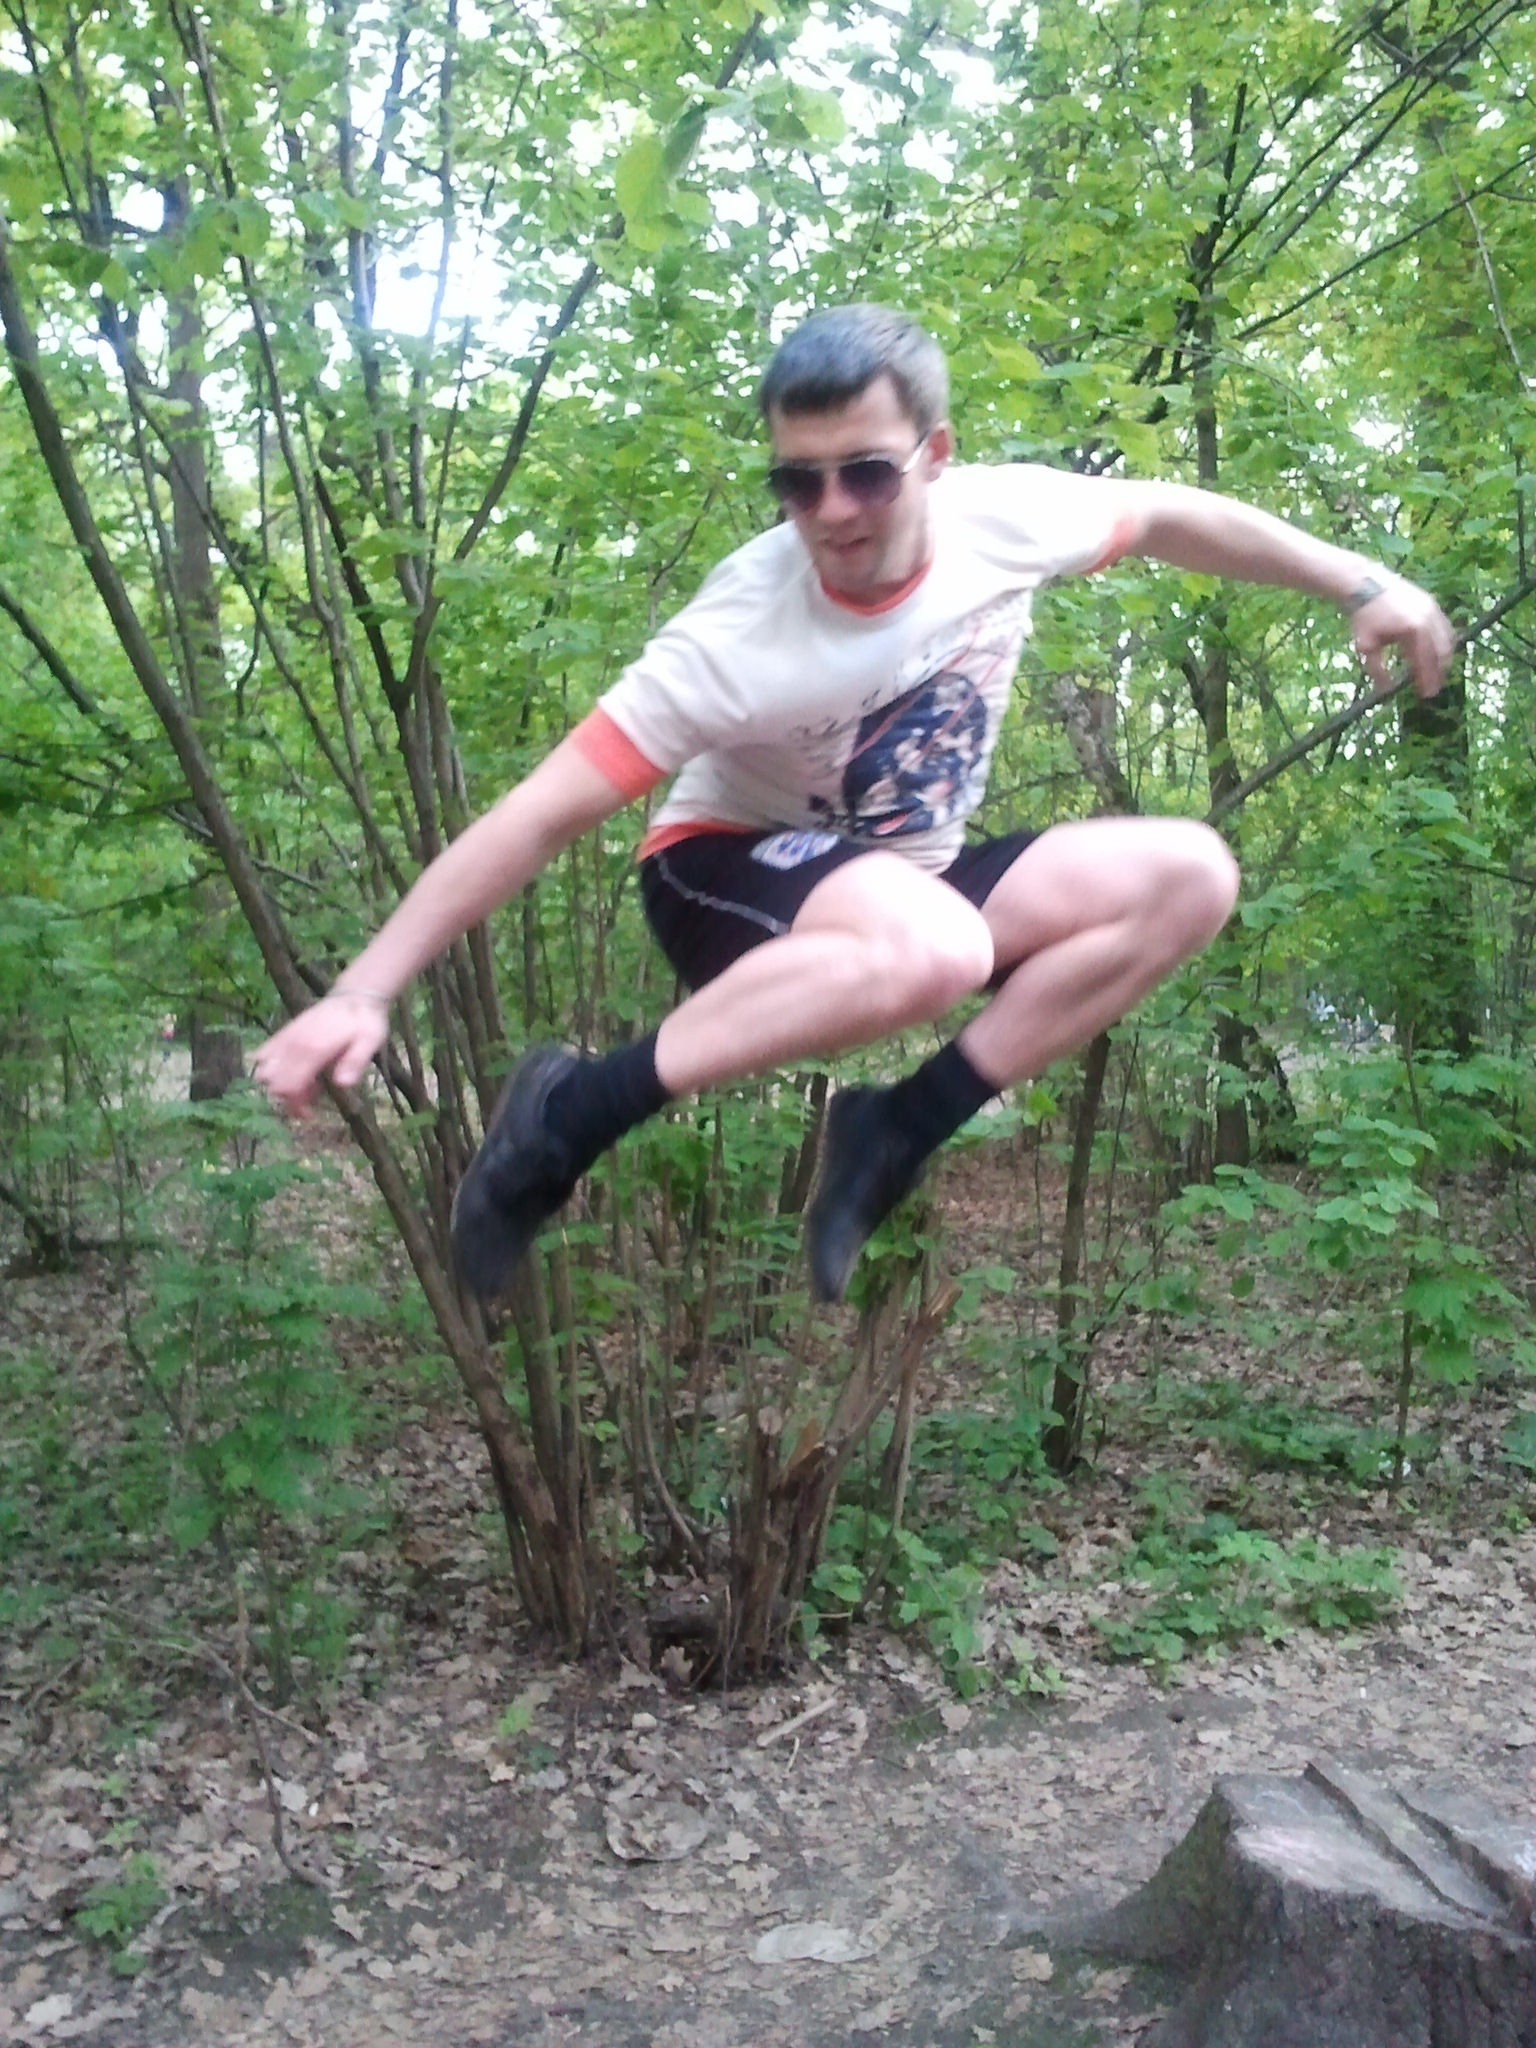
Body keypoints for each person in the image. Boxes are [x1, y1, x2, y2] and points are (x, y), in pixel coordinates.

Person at [253, 306, 1453, 1303]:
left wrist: (1362, 580)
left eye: (867, 471)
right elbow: (540, 810)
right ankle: (570, 1112)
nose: (832, 510)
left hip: (907, 873)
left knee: (1192, 875)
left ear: (934, 455)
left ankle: (897, 1128)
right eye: (798, 480)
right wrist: (365, 987)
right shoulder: (741, 629)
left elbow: (1175, 515)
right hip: (721, 865)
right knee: (938, 944)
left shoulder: (1006, 518)